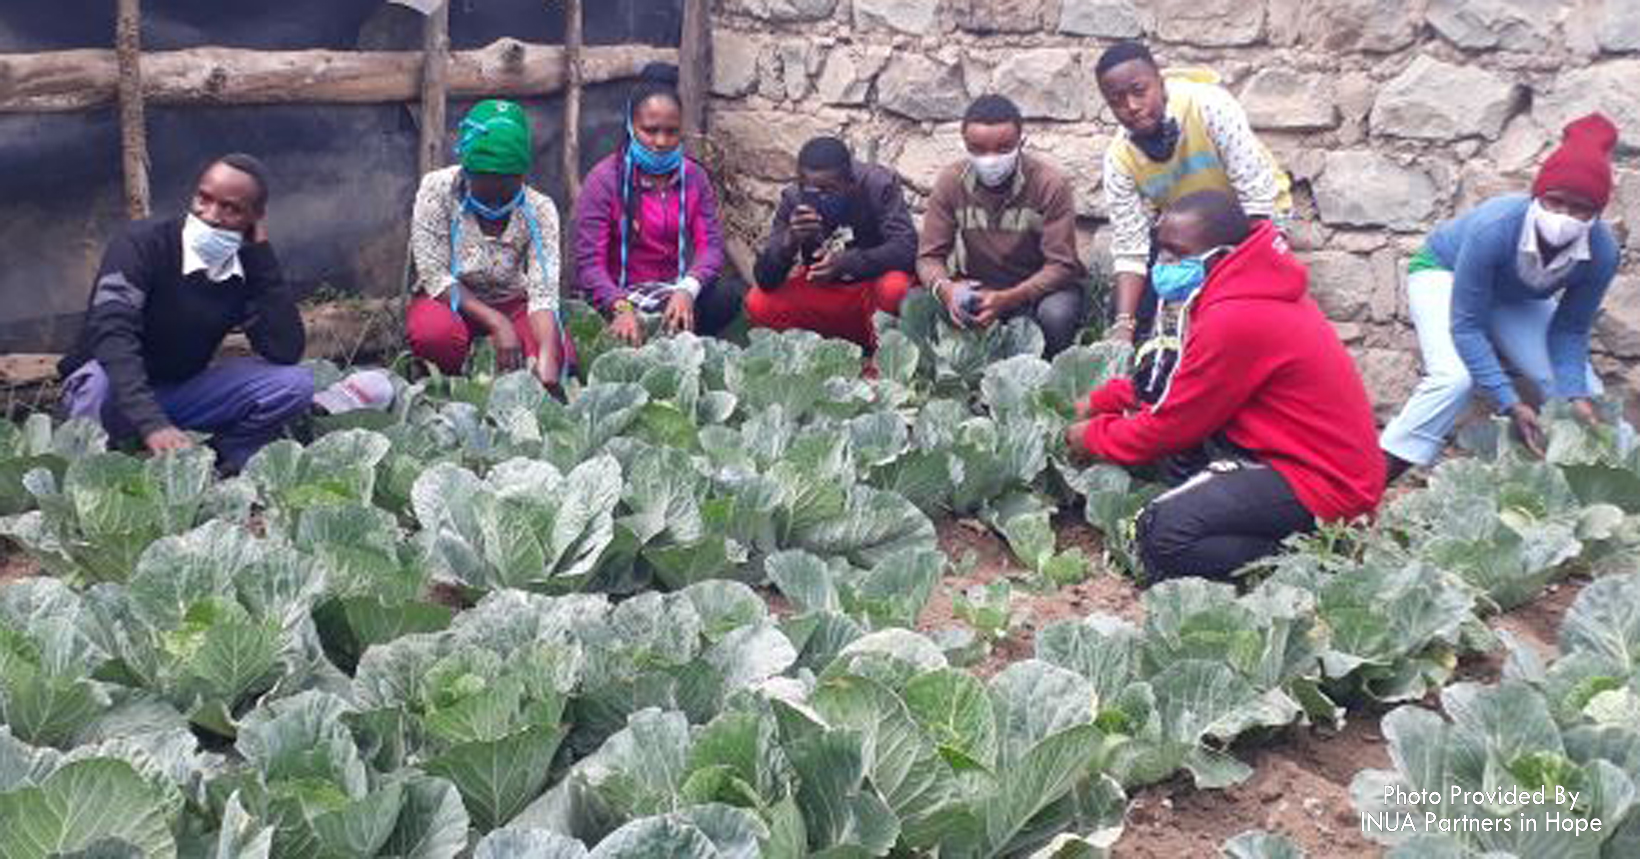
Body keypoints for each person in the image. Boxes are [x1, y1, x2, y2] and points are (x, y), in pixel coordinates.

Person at [1066, 191, 1384, 583]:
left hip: (1322, 484)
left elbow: (1170, 426)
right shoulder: (1238, 288)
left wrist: (1089, 436)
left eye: (1176, 254)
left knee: (1161, 534)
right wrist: (1102, 400)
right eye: (1160, 250)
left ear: (1219, 255)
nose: (1163, 264)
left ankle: (1311, 560)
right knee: (1181, 468)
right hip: (1297, 461)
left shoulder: (1236, 316)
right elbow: (1171, 380)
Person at [1381, 114, 1622, 480]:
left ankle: (1620, 483)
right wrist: (1509, 401)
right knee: (1453, 379)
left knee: (1583, 392)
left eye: (1580, 210)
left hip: (1514, 293)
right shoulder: (1495, 226)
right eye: (1555, 203)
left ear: (1597, 213)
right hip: (1443, 271)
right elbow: (1467, 326)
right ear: (1537, 196)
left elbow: (1569, 331)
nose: (1564, 217)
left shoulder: (1601, 251)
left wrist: (1575, 395)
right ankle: (1369, 479)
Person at [58, 154, 311, 474]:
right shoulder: (143, 244)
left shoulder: (246, 265)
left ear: (255, 218)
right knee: (94, 382)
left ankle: (225, 459)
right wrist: (152, 424)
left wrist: (262, 256)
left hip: (178, 391)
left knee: (293, 384)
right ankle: (91, 475)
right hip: (113, 394)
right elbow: (112, 333)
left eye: (231, 208)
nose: (210, 215)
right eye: (203, 199)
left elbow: (285, 350)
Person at [1096, 41, 1291, 369]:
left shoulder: (1208, 107)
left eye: (1139, 90)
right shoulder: (1119, 159)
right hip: (1187, 238)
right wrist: (1124, 325)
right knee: (1153, 325)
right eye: (1116, 101)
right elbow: (1131, 248)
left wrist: (1249, 271)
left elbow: (1258, 199)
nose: (1131, 106)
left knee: (1240, 323)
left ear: (1160, 80)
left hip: (1253, 222)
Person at [406, 99, 567, 387]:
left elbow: (543, 294)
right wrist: (497, 323)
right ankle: (453, 384)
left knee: (555, 356)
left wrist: (547, 354)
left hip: (511, 301)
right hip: (450, 301)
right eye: (484, 192)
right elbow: (434, 274)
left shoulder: (540, 209)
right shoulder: (438, 189)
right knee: (434, 336)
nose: (494, 203)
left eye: (505, 193)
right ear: (467, 171)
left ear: (522, 176)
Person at [575, 64, 738, 346]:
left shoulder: (693, 177)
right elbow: (590, 265)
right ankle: (673, 338)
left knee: (728, 295)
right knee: (644, 325)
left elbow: (711, 246)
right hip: (617, 295)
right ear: (630, 126)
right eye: (650, 130)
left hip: (671, 291)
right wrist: (620, 306)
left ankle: (680, 340)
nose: (661, 142)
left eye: (671, 132)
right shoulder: (604, 180)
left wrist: (688, 288)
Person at [917, 95, 1087, 356]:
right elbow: (929, 257)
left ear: (1021, 142)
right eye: (978, 149)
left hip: (1040, 290)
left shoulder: (1049, 184)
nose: (991, 159)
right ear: (964, 144)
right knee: (915, 303)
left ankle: (1049, 377)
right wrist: (947, 289)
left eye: (1004, 148)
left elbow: (1062, 265)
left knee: (1057, 314)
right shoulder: (951, 182)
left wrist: (1009, 298)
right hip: (980, 287)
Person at [746, 136, 918, 349]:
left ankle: (882, 358)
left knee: (896, 288)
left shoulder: (878, 185)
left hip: (871, 293)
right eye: (810, 190)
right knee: (760, 303)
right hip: (826, 295)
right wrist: (790, 240)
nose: (819, 197)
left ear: (850, 182)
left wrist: (846, 263)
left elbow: (906, 249)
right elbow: (765, 279)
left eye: (829, 189)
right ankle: (813, 356)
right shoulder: (794, 198)